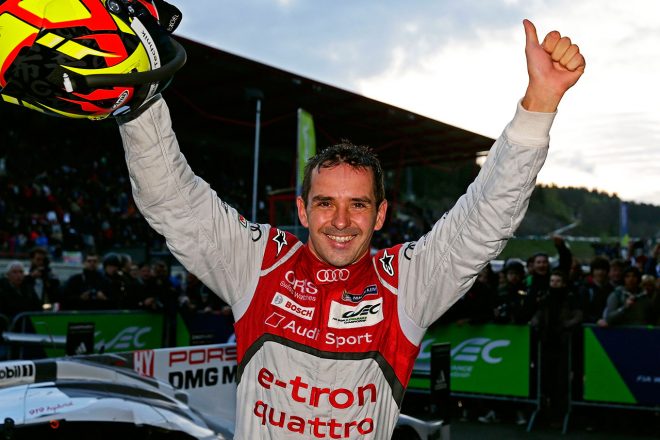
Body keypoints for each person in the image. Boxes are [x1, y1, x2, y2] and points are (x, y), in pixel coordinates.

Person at [117, 19, 584, 439]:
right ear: (302, 211)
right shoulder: (257, 263)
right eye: (325, 203)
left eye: (357, 205)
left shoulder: (408, 283)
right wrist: (137, 90)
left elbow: (484, 219)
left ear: (380, 215)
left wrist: (538, 106)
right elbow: (172, 199)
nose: (340, 221)